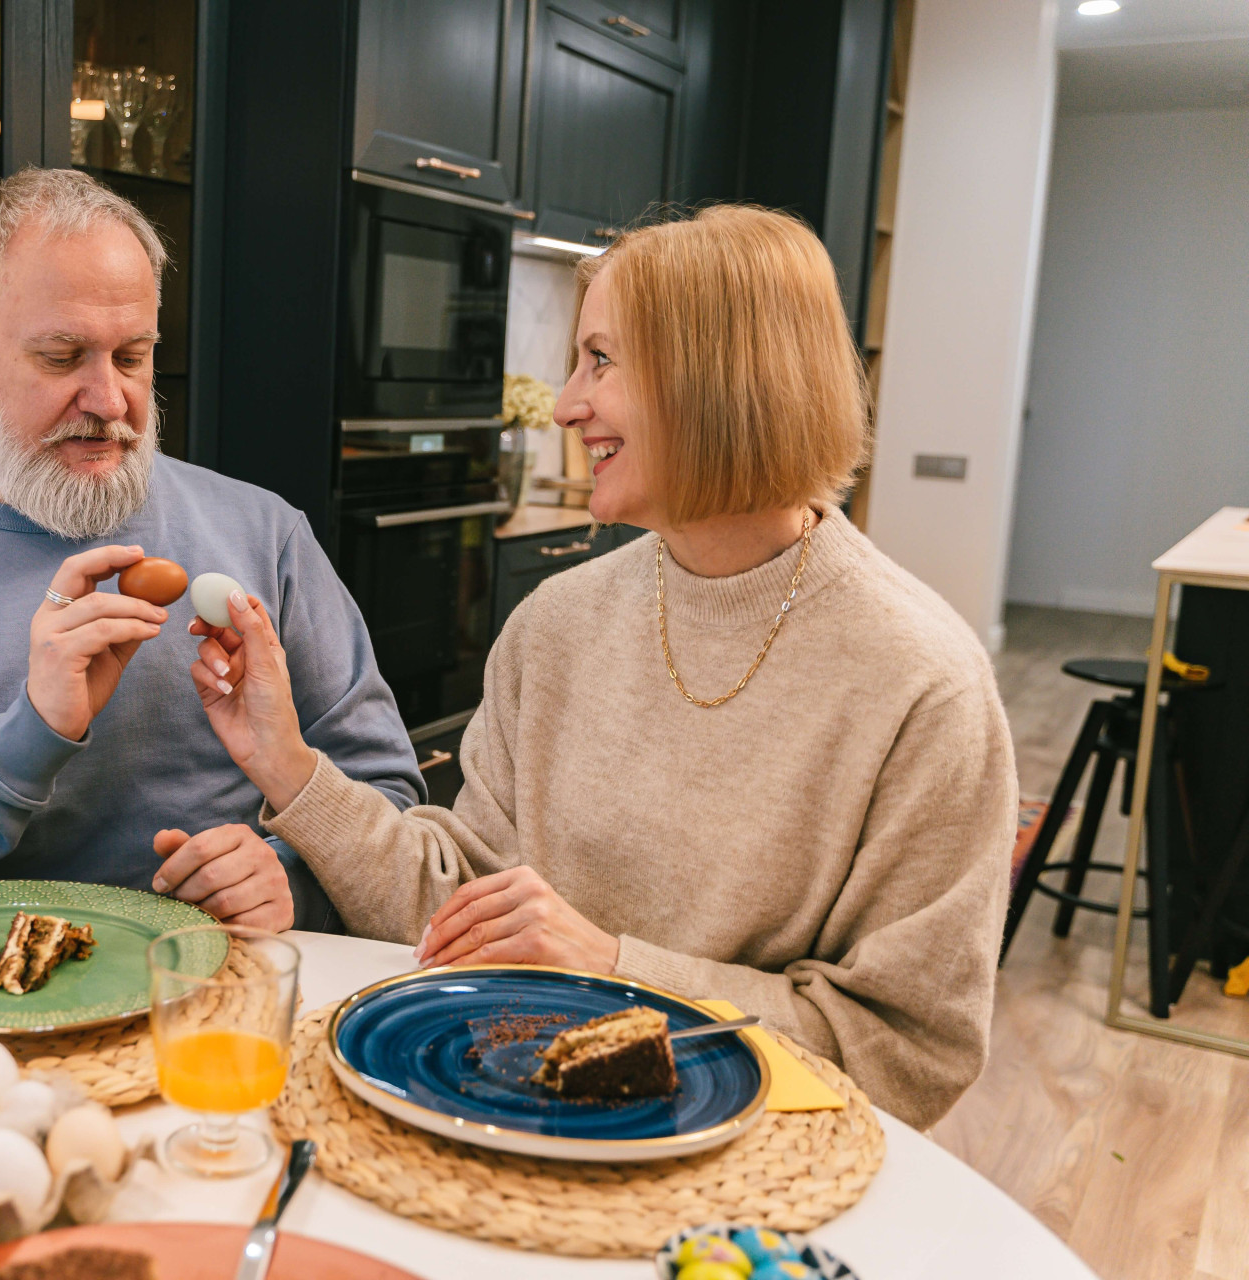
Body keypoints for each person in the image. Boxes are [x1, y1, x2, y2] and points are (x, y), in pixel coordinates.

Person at [177, 205, 1017, 1128]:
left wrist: (616, 970)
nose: (568, 402)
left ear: (718, 381)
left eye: (601, 361)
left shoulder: (922, 683)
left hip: (745, 1170)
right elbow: (456, 909)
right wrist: (286, 761)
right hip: (513, 1110)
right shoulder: (557, 624)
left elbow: (905, 1055)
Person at [0, 169, 421, 941]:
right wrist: (26, 736)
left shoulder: (264, 534)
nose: (109, 400)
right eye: (64, 358)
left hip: (217, 1017)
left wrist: (291, 879)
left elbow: (393, 809)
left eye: (132, 357)